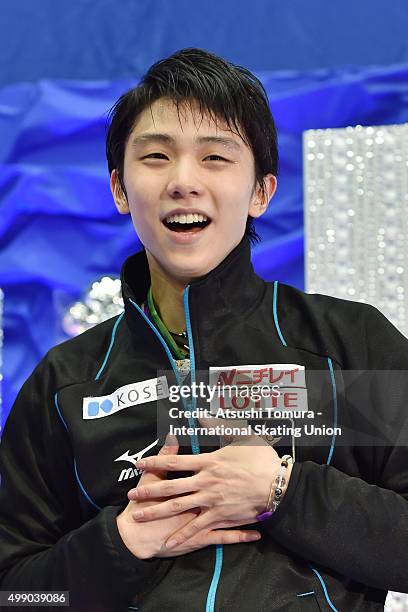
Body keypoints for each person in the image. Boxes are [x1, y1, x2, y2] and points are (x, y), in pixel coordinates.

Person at [0, 48, 407, 612]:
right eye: (157, 157)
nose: (183, 181)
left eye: (215, 157)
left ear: (261, 192)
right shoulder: (67, 384)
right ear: (119, 189)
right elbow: (20, 594)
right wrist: (118, 546)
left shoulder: (346, 344)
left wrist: (283, 492)